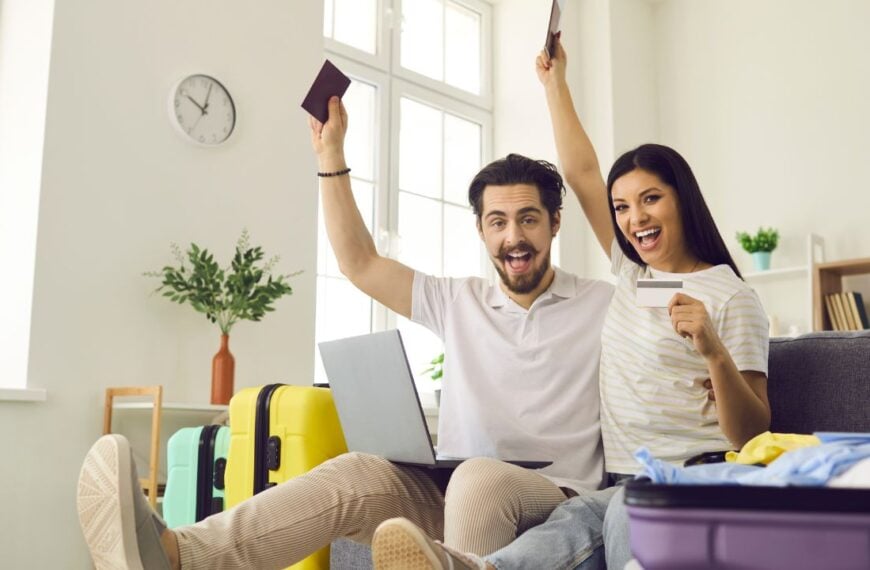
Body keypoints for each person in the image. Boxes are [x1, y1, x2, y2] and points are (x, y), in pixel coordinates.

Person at [76, 95, 614, 569]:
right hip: (452, 490)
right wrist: (329, 157)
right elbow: (359, 263)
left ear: (555, 222)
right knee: (356, 473)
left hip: (556, 498)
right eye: (498, 222)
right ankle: (183, 556)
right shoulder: (457, 300)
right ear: (481, 229)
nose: (513, 237)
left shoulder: (603, 305)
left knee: (480, 477)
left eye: (528, 219)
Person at [370, 36, 771, 570]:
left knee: (629, 512)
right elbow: (583, 175)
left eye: (651, 199)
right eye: (623, 207)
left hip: (698, 473)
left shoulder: (731, 296)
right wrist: (554, 84)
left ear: (682, 199)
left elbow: (755, 434)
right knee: (572, 524)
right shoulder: (636, 279)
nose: (634, 219)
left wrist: (715, 353)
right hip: (622, 480)